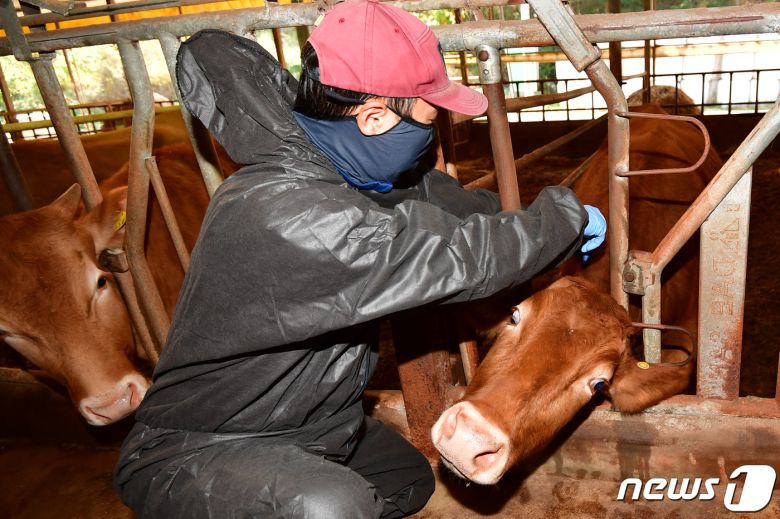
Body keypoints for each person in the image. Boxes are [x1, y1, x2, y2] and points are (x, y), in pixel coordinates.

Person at [114, 0, 606, 517]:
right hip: (203, 447)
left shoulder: (330, 167)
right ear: (373, 117)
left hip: (312, 423)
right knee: (335, 507)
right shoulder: (291, 215)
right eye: (426, 120)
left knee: (408, 482)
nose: (428, 136)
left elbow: (440, 204)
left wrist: (528, 220)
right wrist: (563, 220)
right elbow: (455, 259)